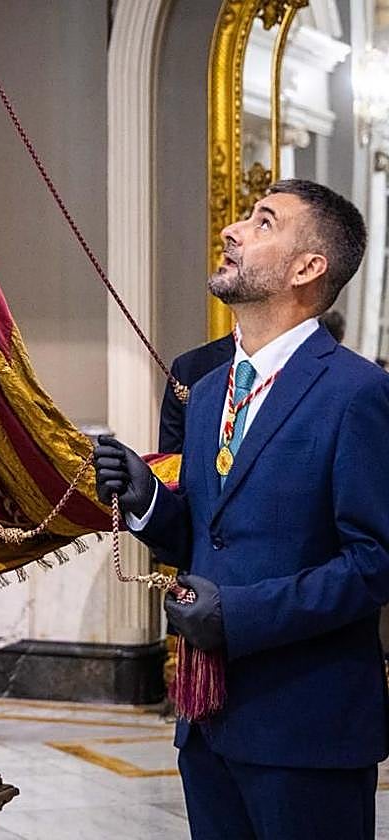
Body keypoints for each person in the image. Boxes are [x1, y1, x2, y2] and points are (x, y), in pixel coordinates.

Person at [94, 179, 388, 840]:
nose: (232, 230)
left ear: (307, 268)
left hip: (305, 726)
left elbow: (374, 565)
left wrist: (241, 616)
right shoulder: (208, 390)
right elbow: (208, 534)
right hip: (208, 723)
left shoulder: (358, 393)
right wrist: (145, 503)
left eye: (263, 222)